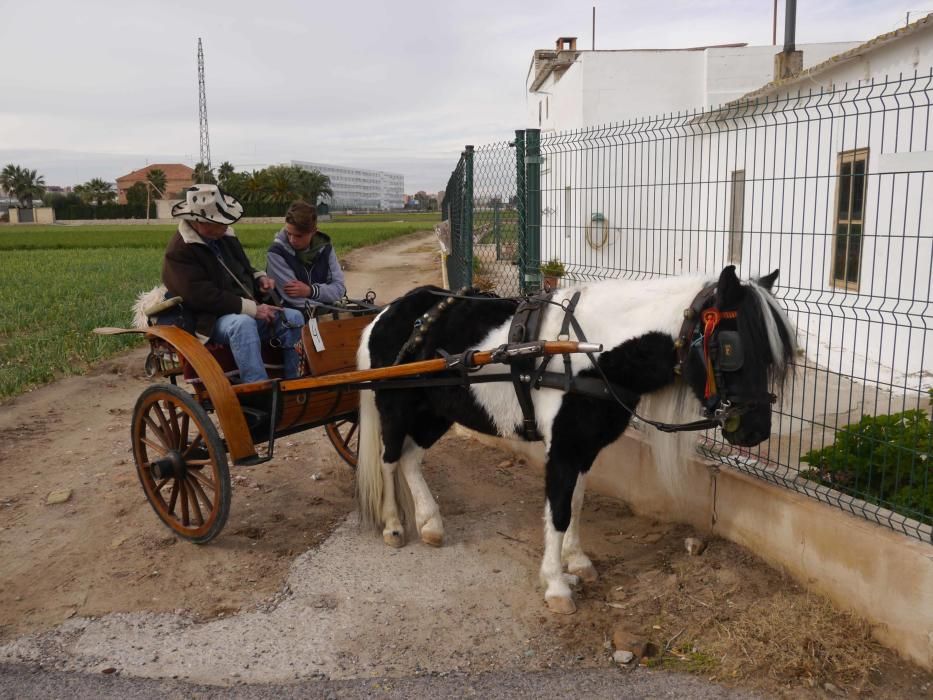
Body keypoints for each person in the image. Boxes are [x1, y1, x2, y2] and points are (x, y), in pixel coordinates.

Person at [161, 184, 305, 383]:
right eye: (218, 222)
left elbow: (243, 268)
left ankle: (295, 383)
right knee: (242, 324)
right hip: (211, 320)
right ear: (198, 221)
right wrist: (252, 309)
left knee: (294, 317)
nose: (225, 226)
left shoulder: (225, 236)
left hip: (246, 307)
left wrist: (259, 278)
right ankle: (258, 390)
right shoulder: (179, 251)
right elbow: (201, 296)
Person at [266, 201, 346, 312]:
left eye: (299, 236)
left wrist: (311, 291)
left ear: (313, 232)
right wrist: (327, 309)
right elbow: (294, 299)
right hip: (291, 315)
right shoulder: (276, 252)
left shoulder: (325, 248)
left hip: (324, 310)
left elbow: (339, 289)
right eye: (289, 233)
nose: (292, 240)